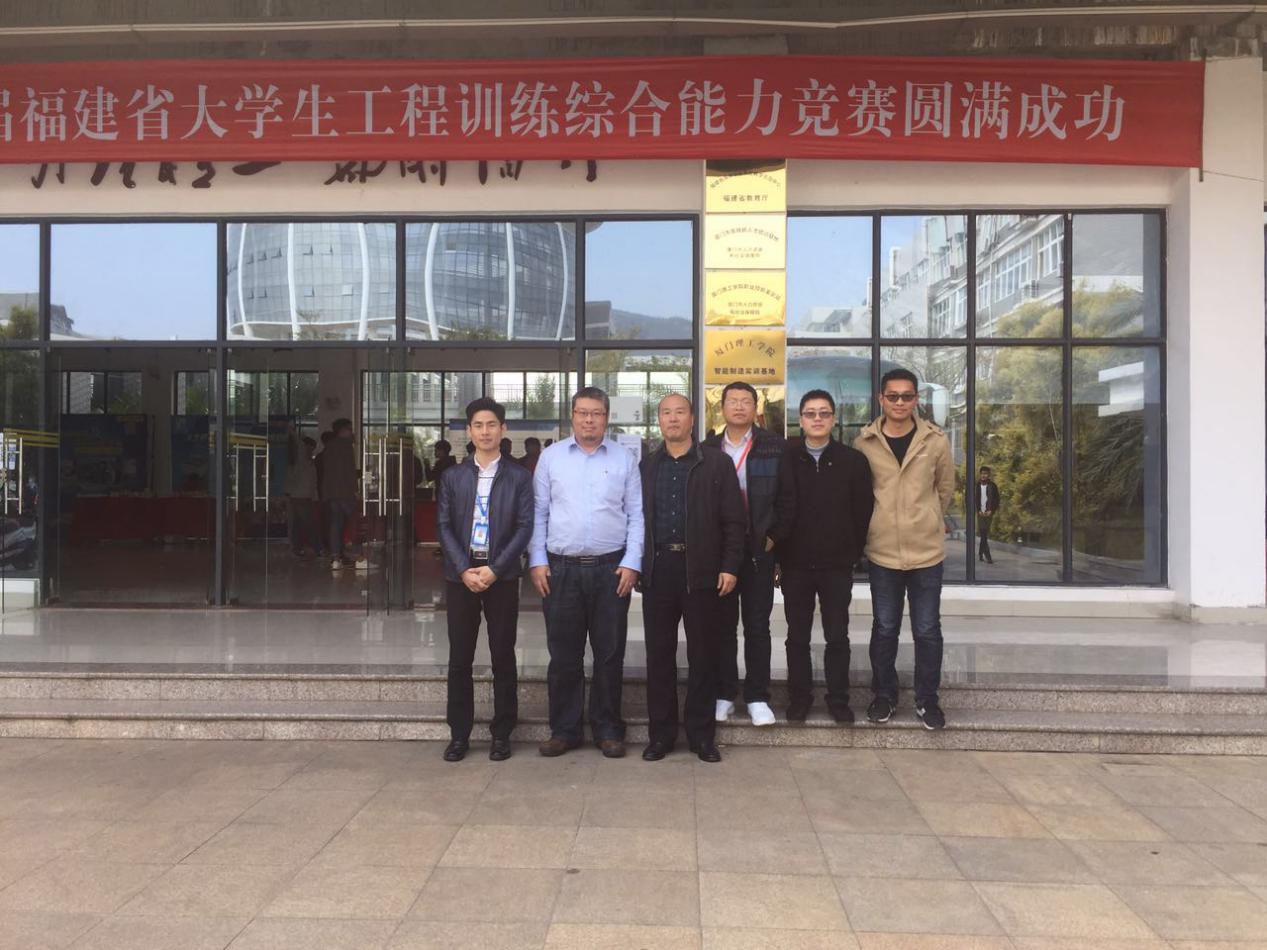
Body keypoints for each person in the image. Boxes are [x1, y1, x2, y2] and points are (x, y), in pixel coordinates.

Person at [529, 387, 644, 759]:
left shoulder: (624, 459)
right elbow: (538, 512)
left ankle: (608, 729)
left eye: (596, 413)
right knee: (564, 655)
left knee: (609, 654)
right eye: (582, 413)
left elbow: (636, 515)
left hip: (612, 570)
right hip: (560, 570)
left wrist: (632, 561)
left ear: (607, 417)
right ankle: (564, 731)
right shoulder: (551, 458)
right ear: (572, 416)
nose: (589, 419)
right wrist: (537, 560)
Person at [639, 394, 745, 763]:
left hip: (701, 570)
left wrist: (729, 566)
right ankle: (661, 735)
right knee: (659, 656)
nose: (673, 419)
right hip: (658, 571)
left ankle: (701, 736)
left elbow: (734, 521)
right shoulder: (647, 466)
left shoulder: (716, 463)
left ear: (692, 419)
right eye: (666, 413)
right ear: (659, 420)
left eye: (679, 412)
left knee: (703, 655)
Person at [855, 368, 955, 731]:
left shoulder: (935, 441)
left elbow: (945, 489)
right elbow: (860, 493)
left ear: (916, 399)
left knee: (927, 629)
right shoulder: (864, 443)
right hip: (883, 553)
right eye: (893, 396)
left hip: (926, 553)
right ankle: (884, 695)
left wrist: (927, 518)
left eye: (907, 396)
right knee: (885, 628)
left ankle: (928, 700)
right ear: (881, 399)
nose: (900, 402)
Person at [436, 397, 534, 762]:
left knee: (502, 655)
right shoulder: (453, 477)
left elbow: (524, 527)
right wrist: (464, 568)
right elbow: (444, 526)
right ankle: (459, 734)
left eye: (492, 424)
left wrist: (496, 568)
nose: (485, 431)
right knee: (459, 658)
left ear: (503, 429)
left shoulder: (519, 477)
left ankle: (502, 733)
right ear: (469, 431)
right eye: (478, 425)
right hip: (461, 576)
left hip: (501, 576)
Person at [769, 389, 873, 723]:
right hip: (795, 564)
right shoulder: (786, 459)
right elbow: (777, 508)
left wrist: (851, 552)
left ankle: (838, 700)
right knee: (797, 637)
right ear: (800, 420)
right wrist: (778, 556)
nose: (817, 419)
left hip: (836, 565)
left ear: (834, 419)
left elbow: (863, 512)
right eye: (810, 413)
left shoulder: (853, 461)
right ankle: (799, 698)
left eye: (824, 413)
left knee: (837, 636)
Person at [702, 381, 785, 727]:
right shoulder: (706, 448)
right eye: (732, 401)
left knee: (757, 625)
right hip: (720, 552)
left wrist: (774, 541)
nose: (739, 406)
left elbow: (787, 499)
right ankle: (724, 694)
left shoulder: (774, 447)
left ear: (756, 407)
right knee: (721, 626)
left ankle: (757, 696)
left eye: (746, 401)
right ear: (722, 408)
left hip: (758, 550)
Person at [321, 418, 359, 571]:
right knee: (355, 522)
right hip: (345, 491)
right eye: (350, 429)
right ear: (343, 430)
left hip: (332, 493)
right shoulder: (346, 446)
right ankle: (359, 557)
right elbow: (349, 471)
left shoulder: (329, 446)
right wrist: (355, 489)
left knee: (336, 524)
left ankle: (336, 558)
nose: (352, 432)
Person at [284, 429, 320, 557]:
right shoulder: (302, 460)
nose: (312, 450)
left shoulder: (304, 462)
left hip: (299, 496)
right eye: (310, 447)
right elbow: (300, 446)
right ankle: (316, 548)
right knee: (309, 524)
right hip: (301, 496)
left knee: (297, 524)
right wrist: (292, 432)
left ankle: (297, 548)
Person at [977, 466, 1000, 565]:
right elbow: (974, 499)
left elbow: (996, 500)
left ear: (988, 475)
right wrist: (978, 510)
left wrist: (991, 510)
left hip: (988, 513)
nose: (984, 475)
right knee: (983, 534)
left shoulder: (992, 486)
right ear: (980, 474)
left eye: (986, 474)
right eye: (982, 473)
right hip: (980, 513)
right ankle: (988, 556)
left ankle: (980, 553)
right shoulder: (976, 485)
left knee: (984, 535)